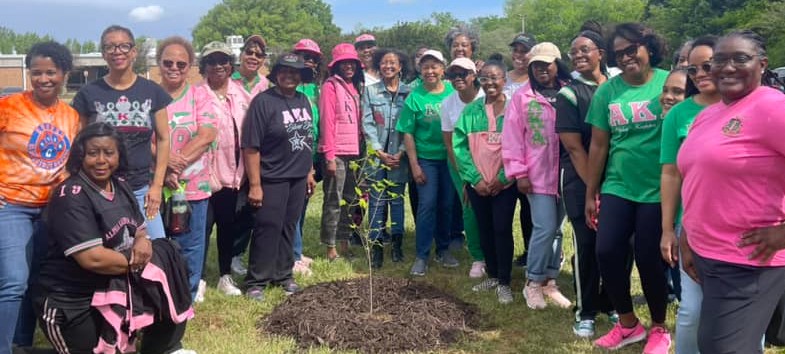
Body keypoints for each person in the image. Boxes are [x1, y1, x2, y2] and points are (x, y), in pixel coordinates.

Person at [34, 123, 194, 354]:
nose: (101, 160)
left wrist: (144, 243)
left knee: (169, 255)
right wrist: (144, 263)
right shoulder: (71, 196)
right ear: (81, 156)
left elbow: (139, 230)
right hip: (71, 299)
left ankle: (165, 347)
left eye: (108, 153)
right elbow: (93, 259)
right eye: (92, 153)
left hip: (109, 289)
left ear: (119, 156)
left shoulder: (120, 186)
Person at [678, 30, 785, 354]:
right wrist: (687, 236)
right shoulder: (708, 115)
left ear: (762, 64)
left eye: (740, 58)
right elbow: (694, 177)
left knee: (722, 347)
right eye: (719, 61)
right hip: (707, 253)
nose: (727, 68)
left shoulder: (772, 107)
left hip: (747, 261)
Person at [584, 23, 671, 353]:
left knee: (649, 258)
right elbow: (598, 146)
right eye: (619, 53)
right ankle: (628, 324)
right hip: (618, 185)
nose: (626, 57)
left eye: (631, 49)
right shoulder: (608, 91)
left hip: (657, 187)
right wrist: (593, 192)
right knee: (606, 251)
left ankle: (660, 327)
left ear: (648, 46)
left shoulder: (670, 82)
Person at [0, 41, 79, 353]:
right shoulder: (9, 106)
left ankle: (22, 342)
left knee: (36, 279)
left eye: (51, 72)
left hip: (51, 210)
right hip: (12, 206)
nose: (43, 79)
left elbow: (73, 161)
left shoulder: (71, 116)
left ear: (64, 74)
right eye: (36, 73)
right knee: (13, 281)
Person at [71, 25, 171, 240]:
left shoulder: (153, 92)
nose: (117, 51)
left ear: (133, 52)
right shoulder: (88, 94)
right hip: (100, 188)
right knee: (110, 247)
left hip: (141, 188)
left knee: (157, 246)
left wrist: (157, 186)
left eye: (124, 46)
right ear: (103, 54)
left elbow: (163, 139)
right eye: (110, 47)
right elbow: (78, 142)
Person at [658, 35, 719, 354]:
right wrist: (668, 229)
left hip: (742, 229)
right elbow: (670, 173)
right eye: (693, 70)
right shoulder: (678, 116)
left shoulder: (747, 108)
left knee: (739, 314)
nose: (700, 74)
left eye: (707, 65)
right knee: (692, 310)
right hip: (691, 228)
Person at [554, 30, 615, 338]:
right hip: (580, 180)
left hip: (619, 181)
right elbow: (575, 148)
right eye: (573, 52)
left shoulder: (617, 88)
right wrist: (594, 187)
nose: (578, 55)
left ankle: (613, 303)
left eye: (584, 49)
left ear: (601, 53)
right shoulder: (569, 95)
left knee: (617, 245)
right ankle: (586, 310)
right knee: (588, 245)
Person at [502, 42, 572, 311]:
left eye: (547, 64)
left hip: (567, 172)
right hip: (537, 173)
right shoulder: (523, 97)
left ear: (557, 64)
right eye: (536, 65)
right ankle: (532, 282)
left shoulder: (570, 91)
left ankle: (550, 281)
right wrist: (519, 171)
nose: (542, 69)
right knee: (543, 227)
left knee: (558, 229)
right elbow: (512, 137)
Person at [242, 53, 317, 301]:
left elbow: (306, 139)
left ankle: (284, 274)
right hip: (272, 177)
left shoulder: (303, 100)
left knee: (288, 226)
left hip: (297, 176)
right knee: (267, 228)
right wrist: (255, 184)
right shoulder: (263, 102)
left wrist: (308, 172)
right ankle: (257, 280)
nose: (289, 75)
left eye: (295, 72)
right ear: (276, 74)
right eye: (284, 71)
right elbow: (251, 146)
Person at [156, 36, 218, 299]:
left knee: (191, 244)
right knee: (158, 242)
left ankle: (187, 296)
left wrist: (174, 163)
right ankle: (161, 295)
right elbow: (140, 137)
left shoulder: (200, 95)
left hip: (193, 185)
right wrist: (165, 163)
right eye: (168, 62)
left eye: (181, 64)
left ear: (190, 66)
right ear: (159, 63)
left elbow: (206, 134)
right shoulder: (150, 95)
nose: (174, 68)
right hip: (157, 184)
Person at [453, 60, 517, 304]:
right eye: (486, 78)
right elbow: (459, 148)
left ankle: (504, 281)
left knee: (501, 229)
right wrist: (474, 179)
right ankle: (491, 274)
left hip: (505, 185)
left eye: (496, 78)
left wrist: (503, 178)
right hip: (478, 184)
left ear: (504, 81)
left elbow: (521, 148)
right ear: (479, 80)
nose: (490, 83)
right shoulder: (471, 111)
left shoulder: (514, 110)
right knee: (485, 229)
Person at [198, 41, 252, 299]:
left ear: (231, 65)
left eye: (223, 61)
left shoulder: (242, 95)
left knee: (228, 227)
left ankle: (224, 275)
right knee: (202, 228)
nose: (218, 66)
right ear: (204, 66)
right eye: (212, 62)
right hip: (205, 176)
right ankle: (196, 277)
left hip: (234, 175)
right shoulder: (196, 95)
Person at [396, 50, 456, 276]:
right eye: (425, 67)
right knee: (427, 205)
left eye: (435, 66)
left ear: (443, 69)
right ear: (420, 70)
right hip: (426, 159)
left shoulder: (452, 92)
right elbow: (408, 132)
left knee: (447, 204)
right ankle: (422, 255)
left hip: (450, 159)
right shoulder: (415, 96)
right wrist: (414, 164)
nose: (430, 71)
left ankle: (443, 248)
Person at [361, 48, 411, 269]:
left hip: (399, 157)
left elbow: (410, 126)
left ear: (400, 66)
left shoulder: (408, 93)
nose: (388, 66)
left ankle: (398, 245)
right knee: (377, 201)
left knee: (397, 200)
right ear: (378, 66)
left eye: (393, 62)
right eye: (384, 62)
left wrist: (400, 151)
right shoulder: (370, 92)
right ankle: (377, 246)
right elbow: (367, 123)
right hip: (377, 157)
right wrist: (378, 151)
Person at [318, 43, 365, 261]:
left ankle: (345, 243)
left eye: (352, 62)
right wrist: (328, 155)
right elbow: (327, 122)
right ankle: (330, 247)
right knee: (333, 200)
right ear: (336, 66)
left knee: (349, 199)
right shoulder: (330, 86)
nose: (348, 66)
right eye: (343, 63)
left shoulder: (355, 87)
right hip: (336, 152)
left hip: (354, 151)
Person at [440, 57, 486, 278]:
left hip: (489, 161)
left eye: (463, 74)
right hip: (460, 164)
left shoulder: (486, 97)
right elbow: (449, 143)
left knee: (493, 209)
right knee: (470, 209)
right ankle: (479, 257)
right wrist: (464, 175)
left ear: (474, 74)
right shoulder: (448, 103)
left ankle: (495, 252)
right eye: (453, 75)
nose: (458, 79)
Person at [503, 32, 536, 268]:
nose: (519, 55)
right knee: (505, 206)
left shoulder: (537, 80)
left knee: (528, 208)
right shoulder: (502, 78)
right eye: (516, 50)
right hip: (501, 150)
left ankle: (531, 250)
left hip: (530, 152)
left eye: (524, 50)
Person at [291, 38, 323, 275]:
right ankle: (292, 256)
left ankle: (297, 250)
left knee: (303, 203)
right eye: (304, 57)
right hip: (293, 154)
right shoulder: (290, 86)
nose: (308, 62)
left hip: (311, 154)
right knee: (293, 206)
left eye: (312, 58)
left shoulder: (316, 89)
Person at [231, 34, 270, 100]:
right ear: (240, 55)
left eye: (258, 55)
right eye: (249, 52)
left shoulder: (265, 83)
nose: (253, 57)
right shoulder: (229, 80)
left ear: (263, 60)